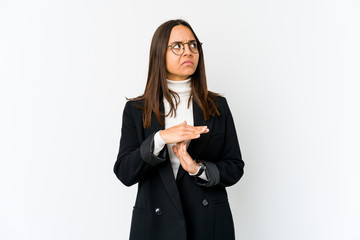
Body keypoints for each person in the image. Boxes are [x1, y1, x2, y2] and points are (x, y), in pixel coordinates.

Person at [114, 19, 244, 240]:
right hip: (156, 226)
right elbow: (125, 172)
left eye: (193, 45)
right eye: (177, 46)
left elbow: (234, 167)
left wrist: (197, 169)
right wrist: (160, 138)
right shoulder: (137, 110)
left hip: (208, 225)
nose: (188, 52)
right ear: (159, 53)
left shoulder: (217, 106)